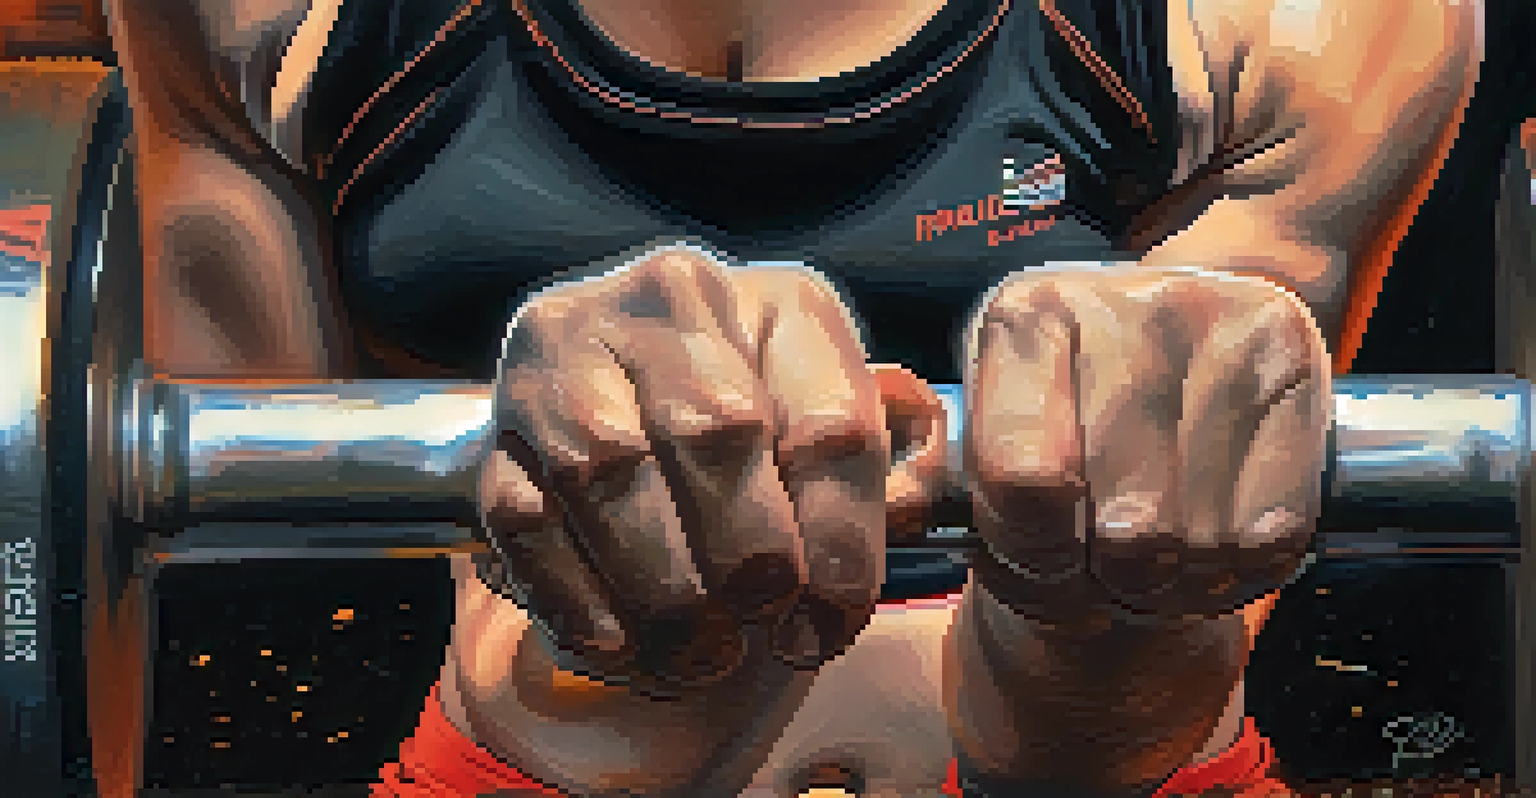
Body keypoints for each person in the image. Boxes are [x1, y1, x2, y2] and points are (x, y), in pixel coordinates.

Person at [102, 0, 1484, 795]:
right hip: (552, 743)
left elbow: (1124, 678)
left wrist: (1080, 588)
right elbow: (264, 567)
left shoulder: (1306, 23)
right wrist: (601, 568)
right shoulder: (261, 18)